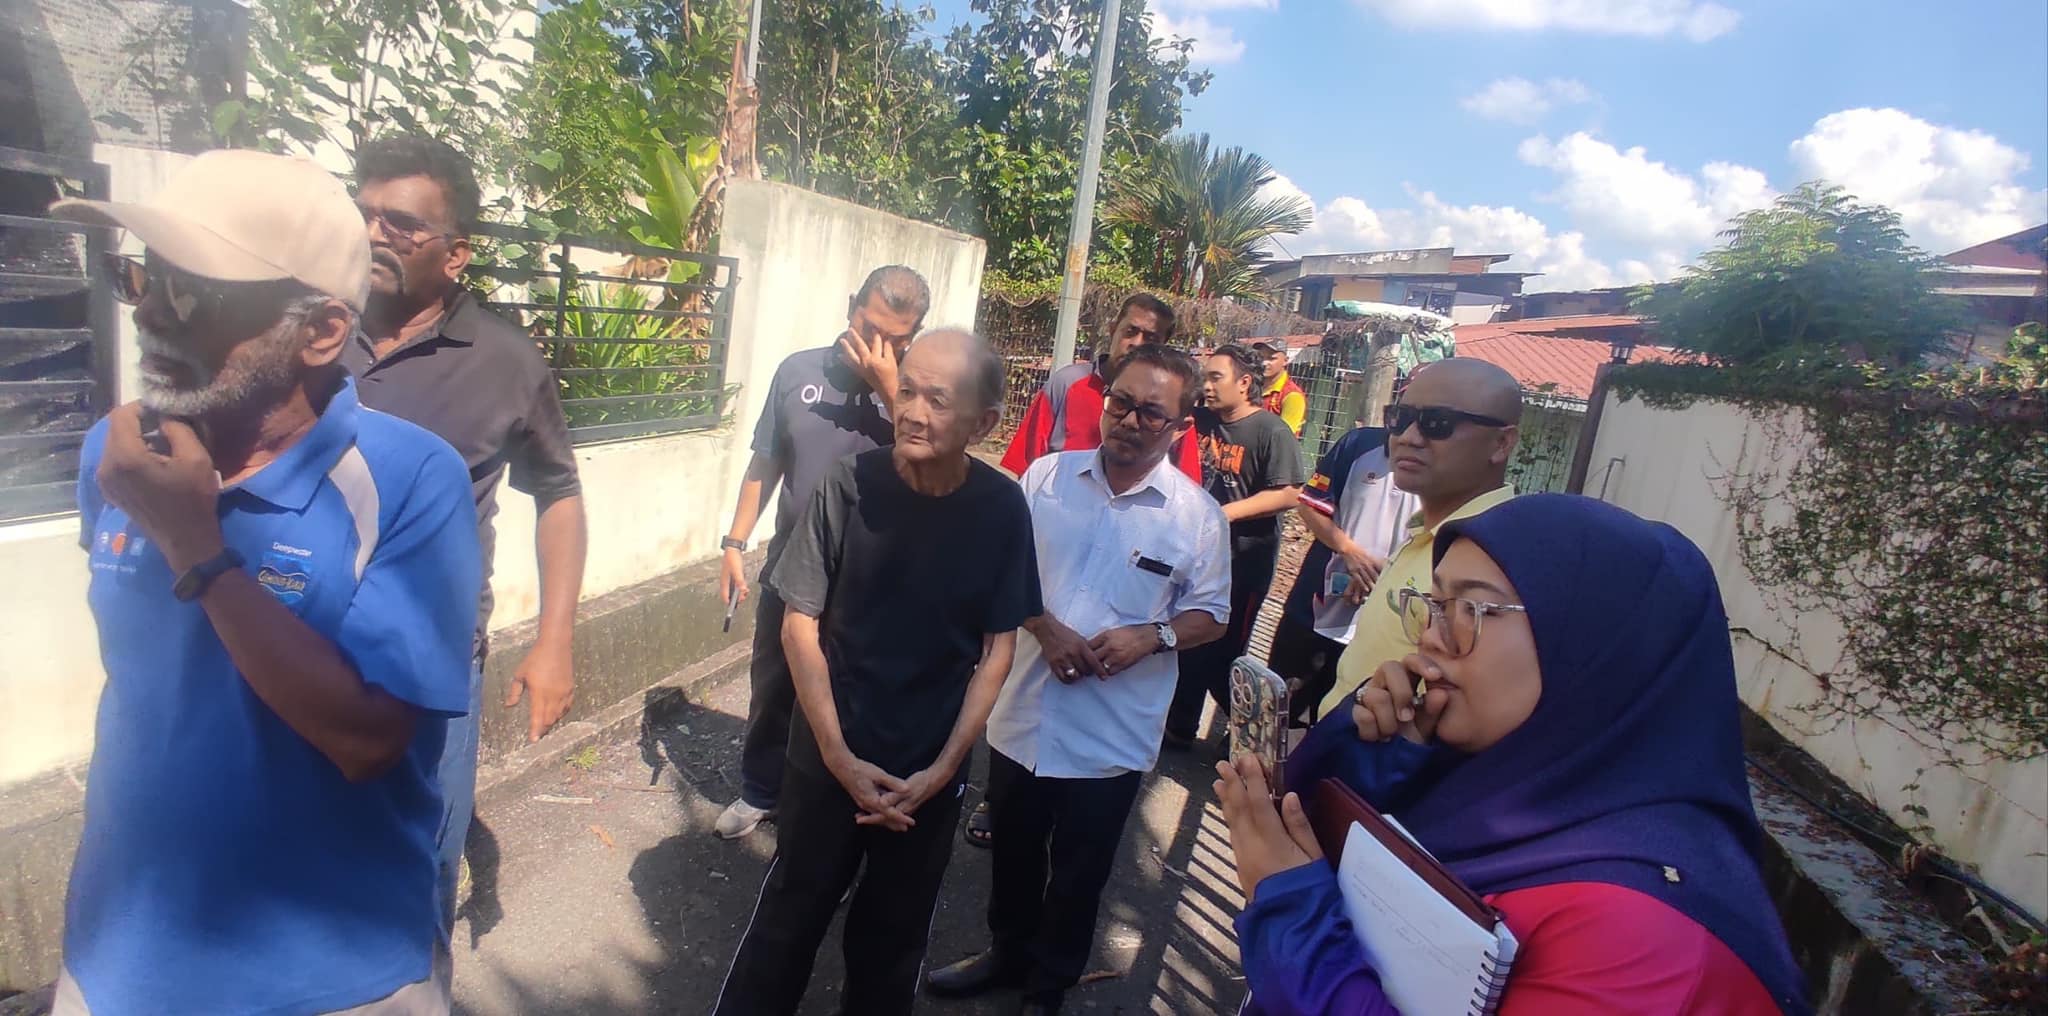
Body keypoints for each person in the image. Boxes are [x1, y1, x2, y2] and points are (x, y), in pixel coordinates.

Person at [50, 150, 480, 1014]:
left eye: (195, 293)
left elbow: (366, 742)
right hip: (119, 957)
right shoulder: (120, 451)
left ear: (321, 331)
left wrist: (199, 553)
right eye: (144, 279)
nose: (152, 316)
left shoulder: (408, 480)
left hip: (331, 977)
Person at [1216, 495, 1811, 1016]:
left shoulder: (1652, 942)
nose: (1431, 637)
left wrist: (1291, 909)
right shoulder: (1504, 787)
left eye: (1472, 609)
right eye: (1433, 604)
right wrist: (1377, 757)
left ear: (1593, 652)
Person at [712, 329, 1043, 1016]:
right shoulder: (849, 483)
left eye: (938, 401)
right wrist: (835, 754)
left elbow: (997, 651)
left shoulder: (1001, 507)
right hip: (826, 759)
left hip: (924, 775)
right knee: (787, 921)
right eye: (909, 390)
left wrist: (946, 768)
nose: (913, 411)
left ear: (985, 423)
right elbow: (798, 621)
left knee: (890, 946)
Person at [925, 344, 1230, 1015]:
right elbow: (998, 573)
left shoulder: (1197, 518)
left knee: (1079, 874)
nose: (1129, 419)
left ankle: (1049, 984)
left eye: (1152, 413)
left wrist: (1152, 635)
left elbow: (1211, 614)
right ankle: (1006, 953)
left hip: (1110, 733)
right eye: (1121, 401)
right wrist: (1043, 625)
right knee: (1013, 853)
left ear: (1180, 426)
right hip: (1021, 713)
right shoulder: (1043, 479)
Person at [341, 134, 588, 928]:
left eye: (403, 223)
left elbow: (558, 490)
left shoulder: (506, 361)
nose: (376, 233)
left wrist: (555, 641)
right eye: (366, 213)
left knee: (417, 879)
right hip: (293, 645)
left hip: (430, 666)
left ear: (456, 254)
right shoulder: (309, 332)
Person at [712, 265, 931, 840]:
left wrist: (891, 386)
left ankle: (839, 802)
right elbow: (768, 460)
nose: (877, 343)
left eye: (896, 338)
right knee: (774, 684)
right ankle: (761, 790)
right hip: (793, 565)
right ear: (849, 305)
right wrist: (735, 542)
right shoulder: (798, 371)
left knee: (857, 697)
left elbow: (940, 465)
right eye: (869, 325)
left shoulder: (920, 393)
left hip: (877, 578)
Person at [1318, 357, 1521, 719]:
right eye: (1400, 417)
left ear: (1502, 443)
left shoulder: (1491, 564)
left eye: (1437, 424)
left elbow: (1457, 723)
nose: (1408, 437)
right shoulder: (1427, 534)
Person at [1164, 344, 1305, 748]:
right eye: (1204, 377)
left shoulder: (1270, 431)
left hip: (1243, 561)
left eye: (1215, 378)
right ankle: (1179, 727)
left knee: (1225, 653)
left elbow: (1289, 494)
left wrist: (1222, 514)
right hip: (1193, 554)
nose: (1206, 386)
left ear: (1245, 383)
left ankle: (1259, 738)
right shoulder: (1201, 420)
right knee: (1187, 641)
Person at [1266, 422, 1420, 726]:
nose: (1411, 427)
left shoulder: (1442, 471)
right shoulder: (1358, 444)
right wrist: (1349, 552)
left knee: (1337, 718)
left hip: (1380, 615)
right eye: (1403, 413)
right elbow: (1309, 506)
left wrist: (1377, 579)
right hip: (1316, 602)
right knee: (1276, 701)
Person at [998, 292, 1201, 483]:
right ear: (1113, 329)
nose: (1136, 344)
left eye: (1150, 338)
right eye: (1130, 332)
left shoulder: (1169, 408)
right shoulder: (1067, 384)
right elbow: (1025, 467)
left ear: (1163, 346)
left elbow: (1187, 485)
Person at [1252, 339, 1307, 437]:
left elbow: (1282, 437)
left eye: (1271, 358)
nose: (1264, 363)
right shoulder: (1252, 385)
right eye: (1261, 357)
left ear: (1285, 361)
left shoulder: (1292, 396)